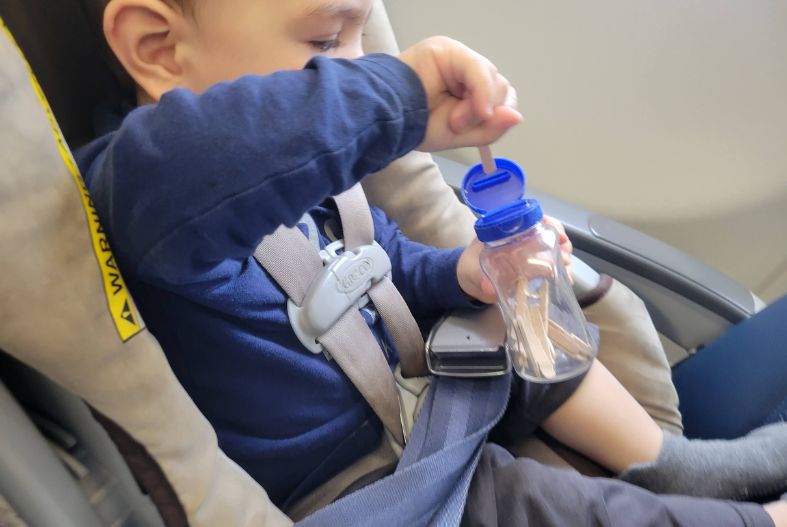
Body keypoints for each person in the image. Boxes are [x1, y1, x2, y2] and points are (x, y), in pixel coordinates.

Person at [77, 0, 787, 524]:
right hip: (363, 493)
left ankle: (667, 465)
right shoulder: (145, 191)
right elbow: (218, 157)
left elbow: (379, 261)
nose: (353, 67)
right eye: (325, 41)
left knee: (519, 307)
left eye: (360, 39)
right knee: (518, 505)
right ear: (159, 47)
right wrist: (401, 94)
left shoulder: (314, 183)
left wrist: (465, 274)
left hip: (424, 397)